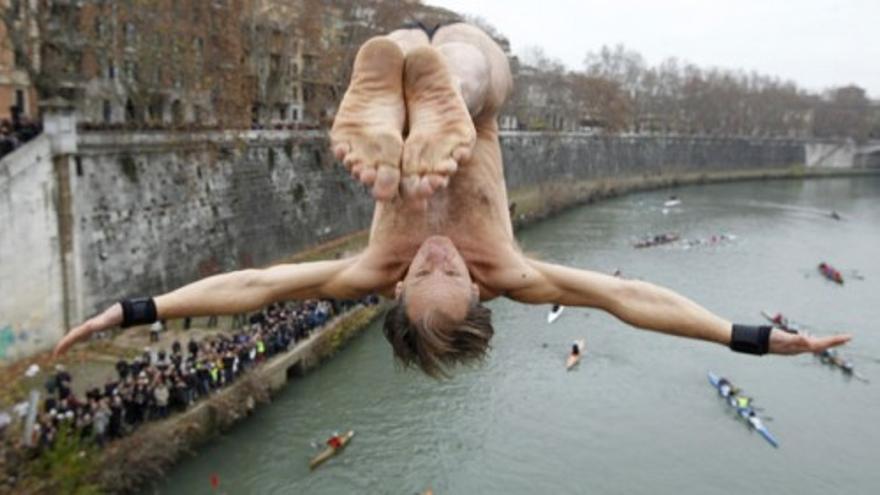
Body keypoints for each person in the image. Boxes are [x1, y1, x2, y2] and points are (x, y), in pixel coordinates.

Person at [53, 23, 850, 378]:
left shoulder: (371, 266)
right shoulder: (512, 268)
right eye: (452, 269)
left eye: (423, 267)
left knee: (415, 49)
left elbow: (253, 286)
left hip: (409, 100)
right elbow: (631, 298)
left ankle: (401, 74)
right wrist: (742, 336)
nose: (438, 253)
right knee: (467, 69)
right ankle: (427, 86)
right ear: (482, 291)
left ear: (397, 288)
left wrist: (137, 309)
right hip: (478, 86)